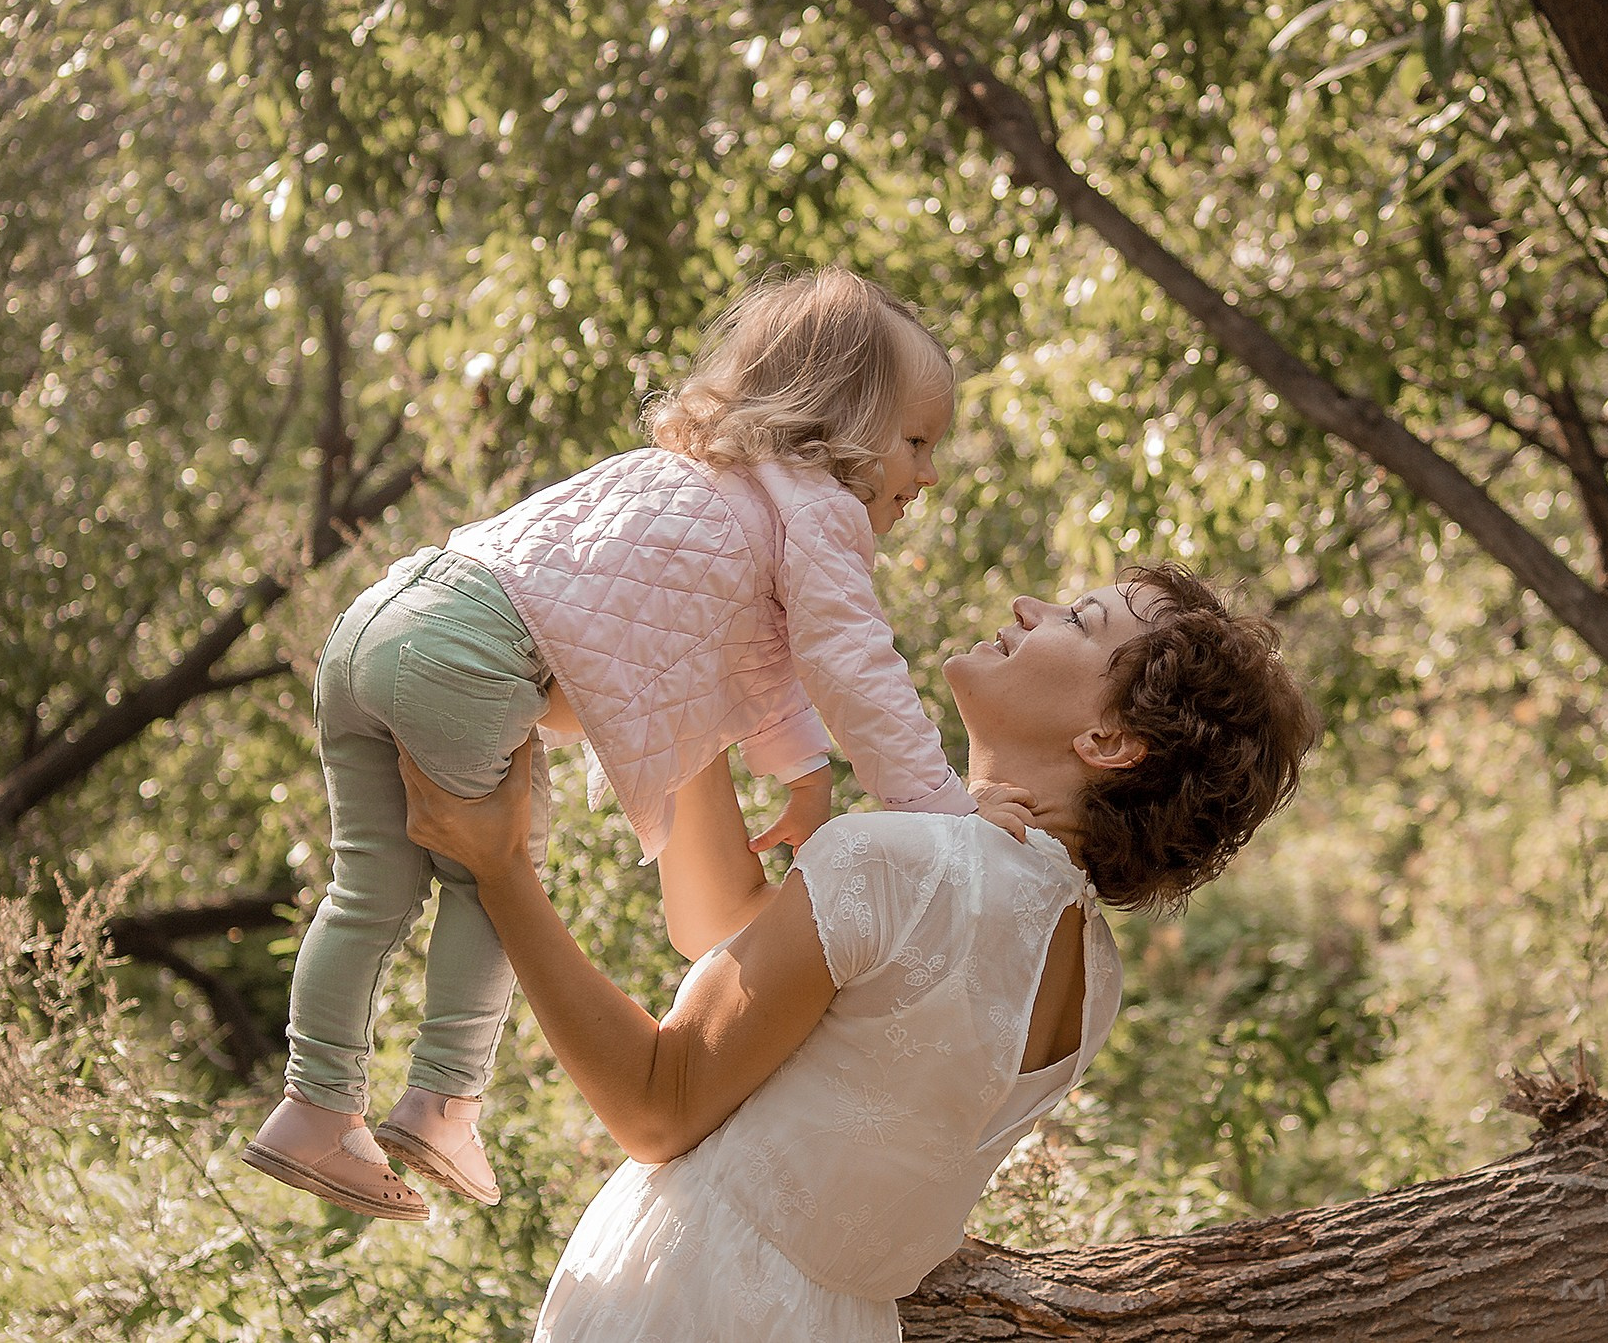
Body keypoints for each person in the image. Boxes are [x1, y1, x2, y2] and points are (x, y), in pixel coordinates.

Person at [398, 564, 1319, 1340]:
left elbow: (656, 1104)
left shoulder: (902, 862)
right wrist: (700, 668)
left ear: (1108, 740)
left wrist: (501, 866)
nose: (1031, 609)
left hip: (687, 1301)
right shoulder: (1090, 971)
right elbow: (724, 927)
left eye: (1079, 621)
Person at [243, 269, 980, 1222]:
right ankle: (442, 1099)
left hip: (384, 621)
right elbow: (849, 659)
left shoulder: (702, 480)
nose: (928, 473)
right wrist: (939, 810)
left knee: (367, 888)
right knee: (490, 868)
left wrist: (801, 770)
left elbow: (754, 645)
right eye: (917, 442)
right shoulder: (822, 508)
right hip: (475, 657)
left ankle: (311, 1107)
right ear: (840, 423)